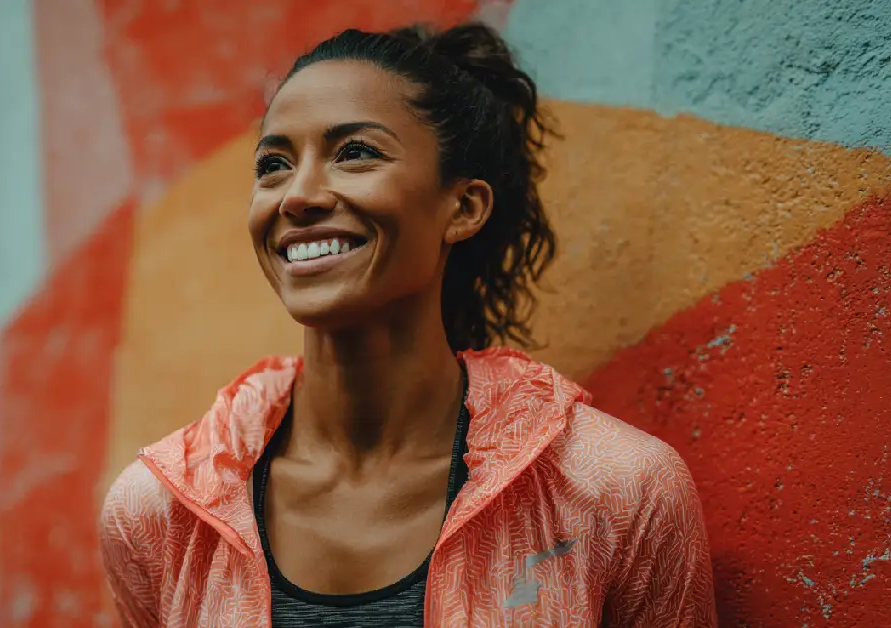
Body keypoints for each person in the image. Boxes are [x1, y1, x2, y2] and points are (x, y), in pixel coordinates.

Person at [100, 21, 717, 627]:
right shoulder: (162, 512)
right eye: (274, 164)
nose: (297, 196)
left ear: (464, 207)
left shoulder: (613, 493)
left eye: (355, 153)